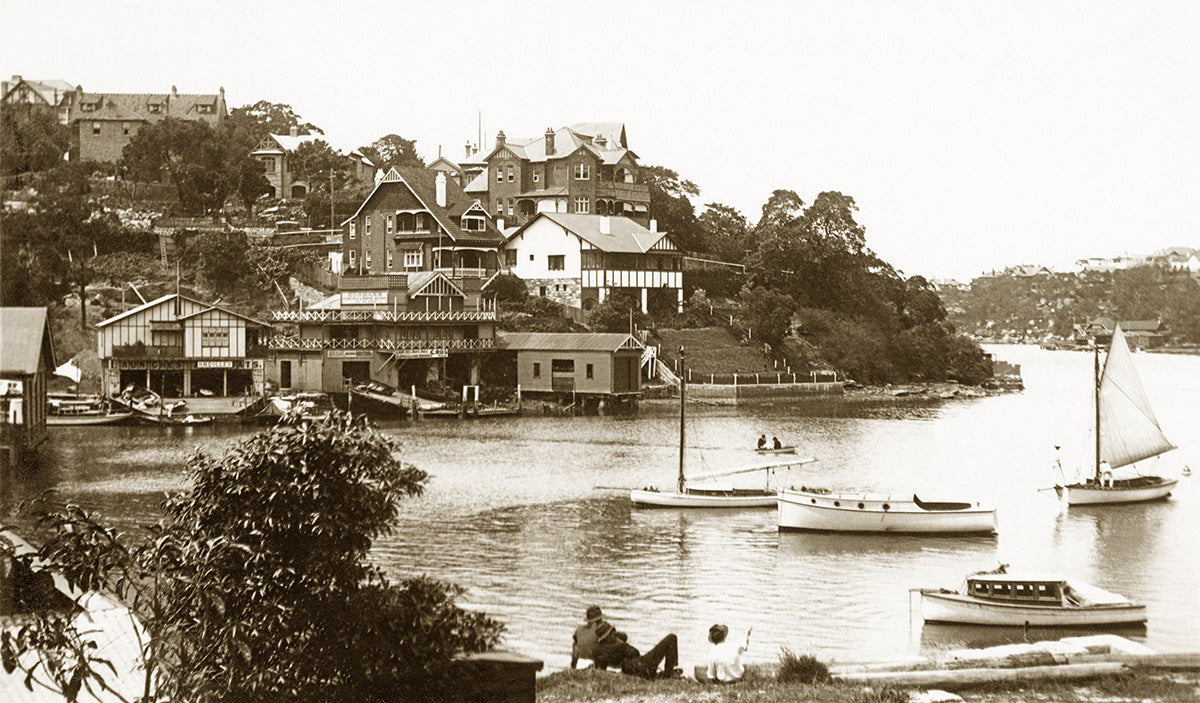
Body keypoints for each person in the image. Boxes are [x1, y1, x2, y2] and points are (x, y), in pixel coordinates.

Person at [570, 605, 680, 679]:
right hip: (639, 666)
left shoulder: (581, 633)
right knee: (672, 638)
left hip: (630, 667)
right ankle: (668, 672)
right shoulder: (602, 631)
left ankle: (664, 673)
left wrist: (573, 670)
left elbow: (576, 656)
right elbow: (629, 643)